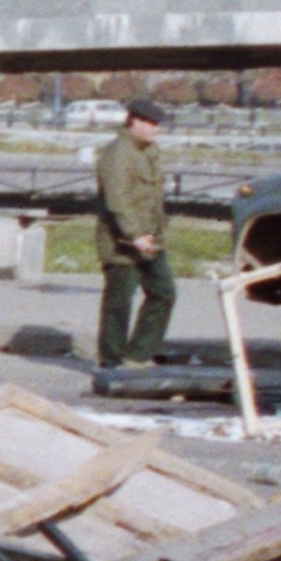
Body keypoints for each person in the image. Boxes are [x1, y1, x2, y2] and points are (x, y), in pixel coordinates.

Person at [92, 93, 177, 373]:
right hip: (122, 241)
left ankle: (138, 354)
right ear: (134, 122)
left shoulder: (149, 150)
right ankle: (112, 360)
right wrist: (135, 234)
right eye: (151, 123)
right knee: (119, 302)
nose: (156, 129)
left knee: (164, 292)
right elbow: (117, 200)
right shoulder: (118, 154)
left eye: (157, 124)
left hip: (150, 239)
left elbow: (152, 195)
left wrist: (155, 232)